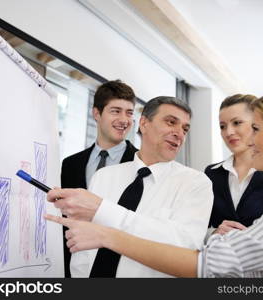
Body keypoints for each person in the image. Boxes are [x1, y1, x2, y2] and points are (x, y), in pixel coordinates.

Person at [47, 83, 263, 278]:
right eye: (170, 122)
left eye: (254, 128)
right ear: (144, 124)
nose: (245, 137)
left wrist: (106, 230)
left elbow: (202, 261)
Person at [49, 96, 213, 277]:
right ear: (143, 123)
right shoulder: (104, 176)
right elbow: (83, 247)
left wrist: (103, 210)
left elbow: (184, 247)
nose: (179, 133)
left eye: (185, 129)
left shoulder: (196, 184)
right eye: (171, 122)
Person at [60, 79, 138, 277]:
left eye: (129, 113)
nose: (124, 119)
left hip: (121, 266)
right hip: (74, 265)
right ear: (96, 113)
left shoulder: (141, 164)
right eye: (115, 111)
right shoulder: (70, 164)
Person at [205, 94, 263, 236]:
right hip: (219, 256)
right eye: (222, 126)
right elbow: (198, 226)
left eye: (237, 123)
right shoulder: (211, 173)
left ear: (257, 123)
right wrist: (214, 233)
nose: (228, 132)